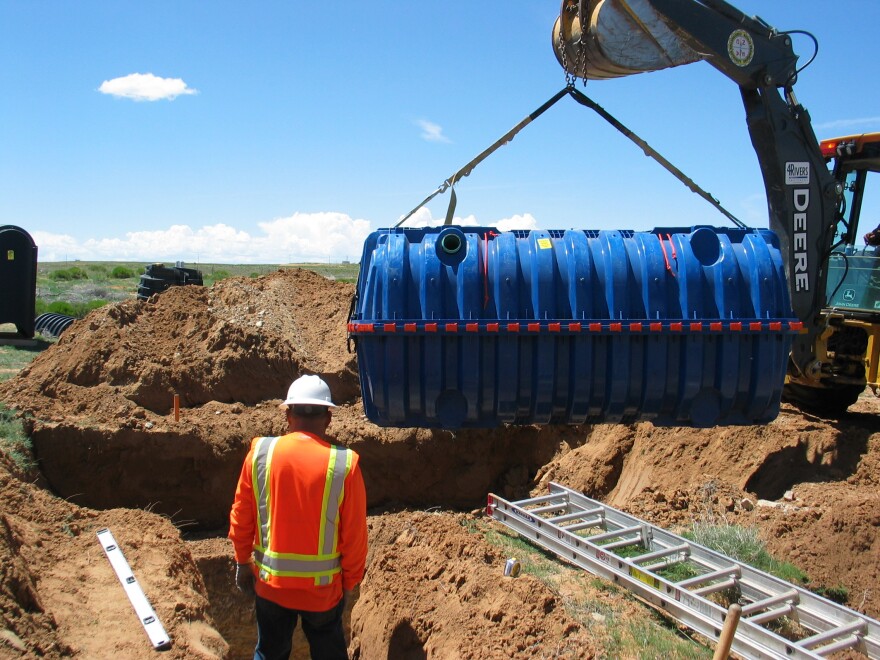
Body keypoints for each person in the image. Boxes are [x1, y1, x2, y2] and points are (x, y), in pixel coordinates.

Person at [229, 375, 368, 660]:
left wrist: (243, 561)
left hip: (271, 587)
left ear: (288, 415)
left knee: (269, 652)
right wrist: (350, 581)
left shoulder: (260, 454)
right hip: (322, 593)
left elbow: (242, 514)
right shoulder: (344, 464)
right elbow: (354, 535)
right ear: (328, 418)